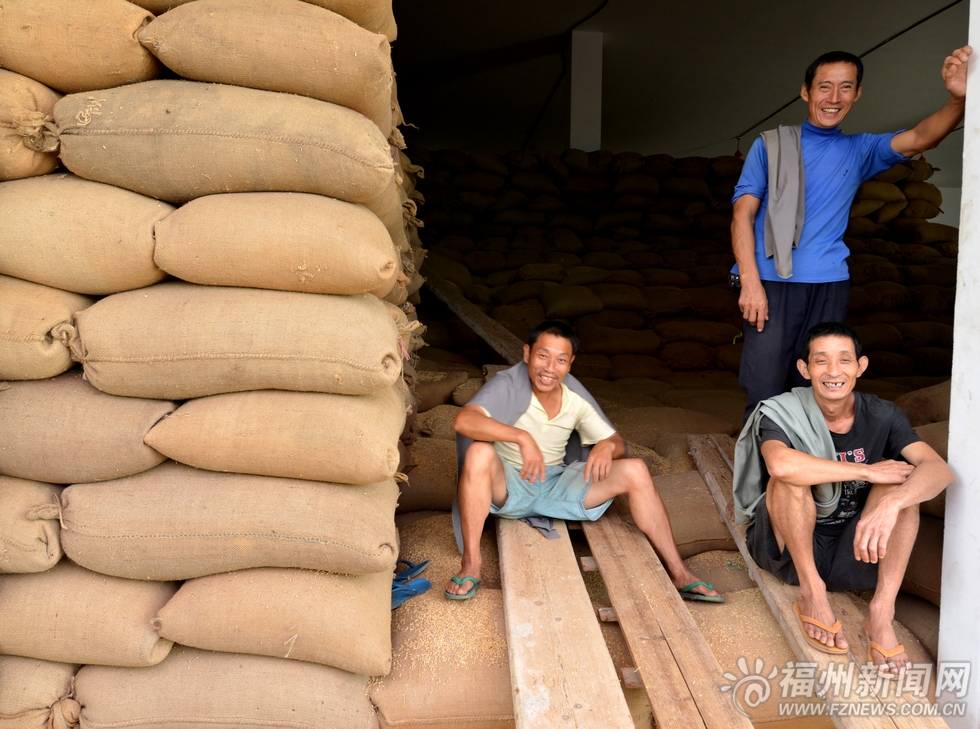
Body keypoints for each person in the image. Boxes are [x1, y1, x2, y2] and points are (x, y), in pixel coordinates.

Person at [732, 46, 971, 421]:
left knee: (821, 381)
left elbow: (922, 138)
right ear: (806, 91)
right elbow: (741, 216)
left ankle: (808, 466)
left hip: (830, 282)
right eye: (824, 87)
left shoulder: (860, 149)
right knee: (764, 384)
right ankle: (760, 470)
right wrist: (749, 281)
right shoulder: (771, 145)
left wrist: (958, 98)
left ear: (857, 94)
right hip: (771, 280)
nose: (834, 97)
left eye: (846, 87)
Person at [445, 320, 722, 603]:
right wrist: (521, 438)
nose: (550, 368)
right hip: (509, 485)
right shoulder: (507, 384)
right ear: (527, 353)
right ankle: (472, 564)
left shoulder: (574, 398)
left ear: (570, 363)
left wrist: (606, 447)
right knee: (479, 452)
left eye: (560, 360)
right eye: (543, 356)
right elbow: (465, 420)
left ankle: (680, 573)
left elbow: (617, 442)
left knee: (636, 469)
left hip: (559, 484)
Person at [731, 321, 952, 676]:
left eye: (844, 360)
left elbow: (938, 469)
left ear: (860, 366)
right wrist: (867, 471)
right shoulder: (784, 411)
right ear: (804, 369)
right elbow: (779, 463)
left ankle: (881, 613)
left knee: (903, 483)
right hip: (790, 550)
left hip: (858, 549)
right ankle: (813, 593)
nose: (833, 372)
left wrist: (891, 505)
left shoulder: (883, 414)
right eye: (821, 361)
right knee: (787, 480)